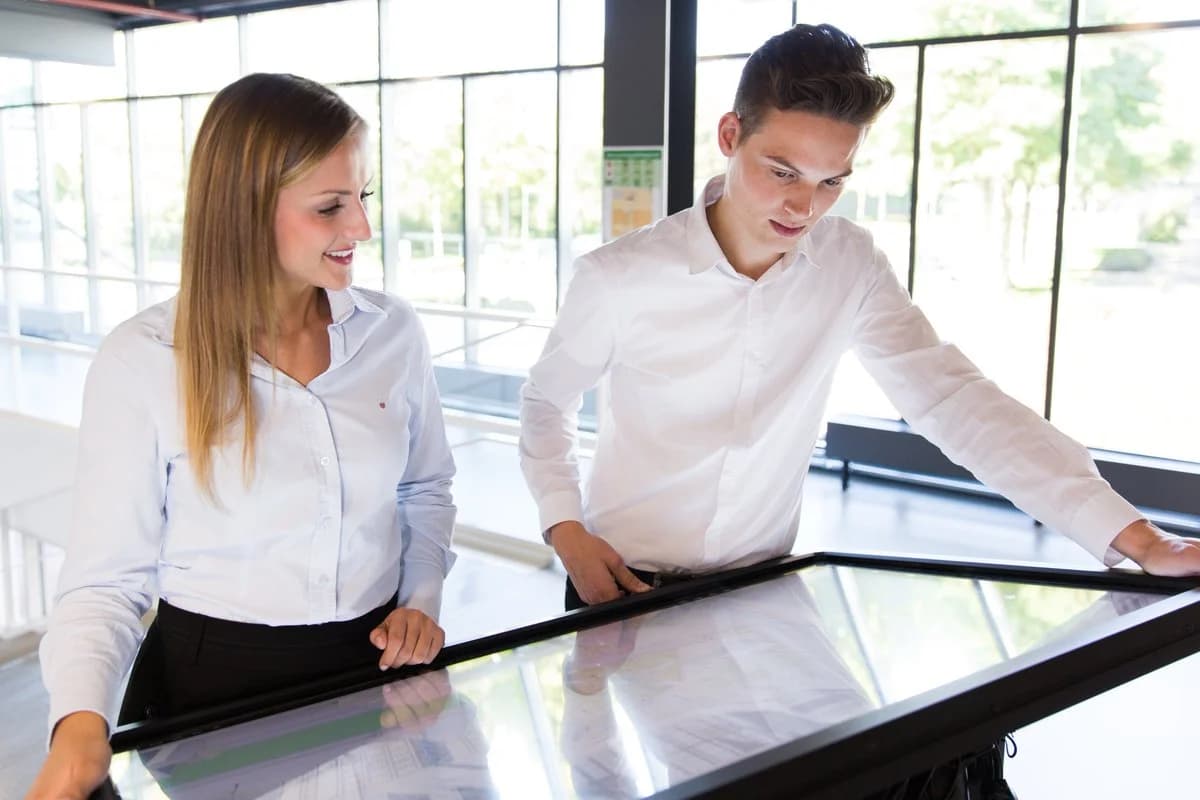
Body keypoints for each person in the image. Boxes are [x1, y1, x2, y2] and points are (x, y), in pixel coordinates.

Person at [518, 23, 1200, 611]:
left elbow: (953, 399)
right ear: (730, 135)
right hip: (618, 581)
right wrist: (565, 527)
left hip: (762, 589)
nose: (804, 207)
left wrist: (1136, 537)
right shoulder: (618, 275)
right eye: (782, 172)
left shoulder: (851, 264)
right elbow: (547, 400)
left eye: (831, 182)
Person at [27, 73, 457, 800]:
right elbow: (106, 582)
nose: (362, 228)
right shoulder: (144, 361)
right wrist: (78, 724)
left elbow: (424, 488)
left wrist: (421, 598)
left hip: (379, 672)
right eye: (331, 206)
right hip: (214, 693)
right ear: (246, 210)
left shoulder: (394, 333)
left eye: (364, 196)